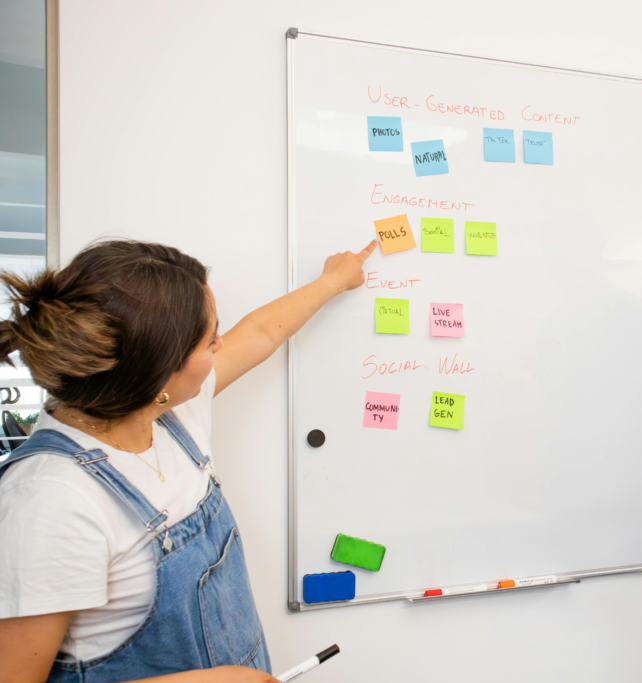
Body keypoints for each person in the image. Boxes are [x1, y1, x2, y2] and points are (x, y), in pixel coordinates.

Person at [0, 238, 377, 683]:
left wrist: (333, 280)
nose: (220, 345)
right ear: (159, 374)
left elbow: (261, 332)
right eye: (207, 339)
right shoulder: (49, 502)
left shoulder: (169, 415)